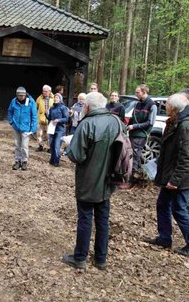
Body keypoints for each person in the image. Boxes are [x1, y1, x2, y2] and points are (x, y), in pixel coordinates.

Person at [62, 92, 120, 271]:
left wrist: (67, 147)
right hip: (108, 181)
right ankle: (101, 259)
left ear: (87, 106)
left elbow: (77, 155)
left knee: (85, 218)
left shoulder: (86, 124)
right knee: (103, 218)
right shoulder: (116, 122)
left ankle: (80, 258)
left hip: (89, 181)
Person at [143, 93, 189, 257]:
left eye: (167, 104)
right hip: (171, 174)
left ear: (174, 108)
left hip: (179, 179)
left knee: (179, 210)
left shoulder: (185, 126)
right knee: (162, 204)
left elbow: (187, 158)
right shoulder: (176, 122)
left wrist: (175, 180)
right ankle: (164, 238)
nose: (165, 106)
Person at [127, 84, 157, 179]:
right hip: (132, 133)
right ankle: (139, 175)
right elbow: (133, 118)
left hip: (141, 135)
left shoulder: (152, 105)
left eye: (137, 92)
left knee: (135, 154)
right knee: (134, 154)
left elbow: (150, 123)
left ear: (144, 92)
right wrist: (127, 124)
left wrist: (134, 126)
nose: (135, 94)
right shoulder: (137, 103)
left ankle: (132, 177)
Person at [7, 87, 38, 171]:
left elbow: (34, 116)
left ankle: (24, 161)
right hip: (16, 127)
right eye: (19, 95)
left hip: (26, 128)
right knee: (17, 145)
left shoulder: (31, 102)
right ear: (17, 95)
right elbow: (10, 112)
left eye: (22, 95)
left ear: (25, 95)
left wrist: (33, 129)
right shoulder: (14, 101)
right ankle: (17, 161)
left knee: (24, 146)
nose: (21, 97)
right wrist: (11, 122)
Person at [46, 93, 69, 167]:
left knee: (57, 145)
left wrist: (58, 120)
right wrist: (46, 114)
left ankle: (56, 161)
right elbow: (49, 118)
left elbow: (66, 119)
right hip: (52, 128)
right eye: (55, 98)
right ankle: (52, 159)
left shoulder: (63, 107)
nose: (55, 99)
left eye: (57, 98)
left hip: (60, 129)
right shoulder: (52, 107)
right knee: (51, 144)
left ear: (60, 99)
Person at [35, 85, 54, 152]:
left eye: (46, 91)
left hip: (50, 120)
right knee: (39, 134)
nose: (45, 92)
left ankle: (50, 147)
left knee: (49, 135)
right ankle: (40, 146)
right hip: (40, 119)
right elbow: (35, 107)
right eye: (44, 91)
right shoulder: (39, 98)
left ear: (49, 91)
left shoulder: (54, 98)